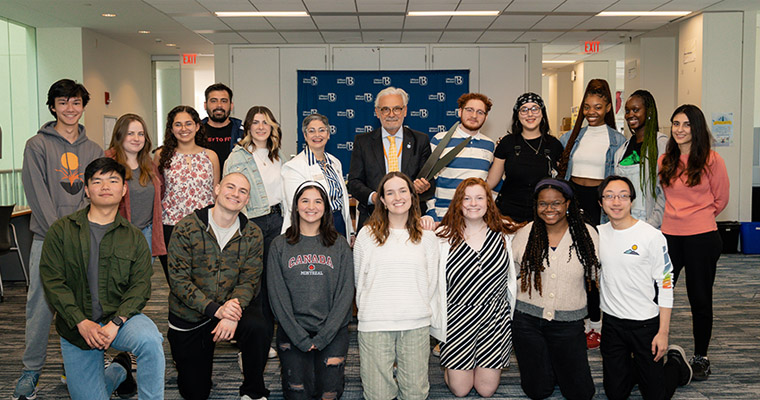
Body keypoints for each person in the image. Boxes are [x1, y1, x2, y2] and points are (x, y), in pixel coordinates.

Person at [39, 157, 165, 400]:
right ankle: (119, 371)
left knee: (150, 340)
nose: (105, 186)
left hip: (119, 320)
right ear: (87, 189)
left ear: (124, 189)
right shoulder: (61, 231)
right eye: (97, 181)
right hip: (77, 326)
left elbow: (140, 286)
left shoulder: (134, 237)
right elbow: (53, 282)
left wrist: (116, 322)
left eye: (113, 180)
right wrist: (81, 322)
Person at [15, 78, 103, 400]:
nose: (70, 108)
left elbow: (93, 193)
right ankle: (30, 371)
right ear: (53, 106)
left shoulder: (94, 149)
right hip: (46, 241)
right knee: (40, 307)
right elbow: (37, 194)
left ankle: (74, 364)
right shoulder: (36, 145)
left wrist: (78, 230)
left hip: (84, 240)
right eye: (63, 102)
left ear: (82, 107)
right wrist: (60, 234)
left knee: (82, 303)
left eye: (76, 102)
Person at [166, 172, 270, 400]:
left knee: (258, 326)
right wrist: (217, 310)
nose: (235, 194)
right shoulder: (186, 227)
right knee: (195, 392)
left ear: (247, 199)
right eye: (230, 187)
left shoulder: (253, 233)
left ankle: (254, 391)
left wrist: (232, 310)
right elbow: (179, 282)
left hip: (231, 308)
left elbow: (250, 280)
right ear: (217, 189)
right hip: (191, 315)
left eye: (243, 191)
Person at [598, 175, 693, 399]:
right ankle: (637, 370)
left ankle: (676, 364)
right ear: (600, 202)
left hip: (645, 326)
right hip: (612, 324)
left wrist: (663, 332)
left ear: (632, 201)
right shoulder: (598, 234)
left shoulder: (651, 236)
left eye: (623, 196)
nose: (616, 201)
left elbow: (666, 284)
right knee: (615, 394)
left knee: (655, 396)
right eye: (609, 196)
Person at [658, 104, 729, 381]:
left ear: (696, 128)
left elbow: (721, 200)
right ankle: (651, 347)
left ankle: (701, 356)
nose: (679, 129)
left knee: (700, 299)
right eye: (675, 123)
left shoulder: (712, 160)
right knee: (660, 295)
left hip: (702, 237)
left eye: (686, 124)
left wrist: (696, 218)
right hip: (669, 237)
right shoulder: (665, 160)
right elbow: (664, 197)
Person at [511, 178, 599, 400]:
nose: (549, 209)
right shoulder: (525, 233)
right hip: (527, 322)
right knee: (538, 392)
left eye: (556, 203)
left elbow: (596, 279)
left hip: (568, 323)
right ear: (536, 206)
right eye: (543, 204)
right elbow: (510, 277)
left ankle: (556, 363)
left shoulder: (586, 234)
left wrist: (596, 321)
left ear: (568, 204)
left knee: (581, 394)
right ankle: (550, 364)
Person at [354, 172, 439, 400]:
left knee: (415, 394)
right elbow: (359, 281)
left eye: (403, 191)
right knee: (378, 395)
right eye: (390, 193)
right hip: (375, 323)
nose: (397, 197)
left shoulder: (427, 237)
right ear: (382, 200)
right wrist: (370, 313)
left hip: (415, 323)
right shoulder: (366, 235)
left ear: (412, 196)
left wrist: (416, 307)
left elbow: (430, 283)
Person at [267, 181, 354, 400]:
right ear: (296, 206)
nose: (311, 206)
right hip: (293, 329)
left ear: (326, 207)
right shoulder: (280, 245)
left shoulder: (339, 244)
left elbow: (345, 294)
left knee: (329, 393)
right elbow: (277, 296)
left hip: (332, 330)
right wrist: (299, 336)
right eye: (304, 201)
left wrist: (325, 335)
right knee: (298, 394)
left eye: (318, 201)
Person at [431, 177, 516, 397]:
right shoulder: (442, 236)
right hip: (458, 318)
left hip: (494, 317)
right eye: (466, 198)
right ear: (458, 202)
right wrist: (424, 220)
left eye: (479, 198)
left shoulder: (505, 234)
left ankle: (475, 362)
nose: (473, 203)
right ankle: (452, 364)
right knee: (461, 390)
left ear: (489, 201)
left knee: (486, 390)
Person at [557, 78, 625, 349]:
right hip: (574, 202)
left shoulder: (618, 140)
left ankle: (596, 323)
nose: (592, 111)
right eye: (587, 107)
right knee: (575, 263)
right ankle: (578, 319)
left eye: (598, 106)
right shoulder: (569, 138)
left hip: (601, 206)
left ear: (608, 107)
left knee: (598, 266)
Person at [224, 105, 286, 360]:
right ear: (248, 127)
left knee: (272, 284)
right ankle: (250, 342)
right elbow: (230, 195)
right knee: (253, 285)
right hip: (252, 222)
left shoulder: (277, 156)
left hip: (276, 220)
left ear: (272, 127)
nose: (261, 127)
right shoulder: (238, 156)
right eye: (256, 122)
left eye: (266, 122)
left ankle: (266, 338)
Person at [348, 86, 433, 228]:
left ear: (405, 111)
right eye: (385, 109)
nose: (391, 114)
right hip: (372, 218)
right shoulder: (363, 142)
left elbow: (431, 185)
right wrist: (374, 197)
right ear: (377, 112)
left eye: (397, 109)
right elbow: (354, 182)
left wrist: (423, 186)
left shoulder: (420, 141)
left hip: (411, 220)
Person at [155, 105, 220, 279]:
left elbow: (216, 194)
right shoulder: (161, 155)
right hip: (171, 225)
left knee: (203, 279)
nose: (184, 129)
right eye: (178, 124)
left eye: (188, 124)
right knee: (175, 279)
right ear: (171, 128)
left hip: (204, 227)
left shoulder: (211, 156)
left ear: (197, 126)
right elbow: (157, 191)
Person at [419, 93, 496, 228]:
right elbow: (428, 181)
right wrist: (432, 214)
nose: (474, 116)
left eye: (480, 112)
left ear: (486, 117)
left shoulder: (490, 145)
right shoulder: (440, 140)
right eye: (469, 110)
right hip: (443, 218)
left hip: (476, 220)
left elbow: (489, 184)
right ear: (460, 111)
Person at [487, 92, 563, 223]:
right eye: (524, 109)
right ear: (517, 115)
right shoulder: (507, 143)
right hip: (509, 216)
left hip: (544, 216)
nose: (530, 114)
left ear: (542, 113)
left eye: (535, 108)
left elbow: (561, 183)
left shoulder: (554, 144)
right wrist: (467, 193)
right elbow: (491, 182)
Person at [282, 113, 353, 239]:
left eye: (322, 130)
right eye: (312, 131)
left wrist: (351, 231)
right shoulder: (294, 167)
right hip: (312, 226)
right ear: (305, 135)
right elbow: (295, 207)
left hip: (339, 222)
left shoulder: (335, 162)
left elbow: (343, 201)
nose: (317, 135)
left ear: (328, 134)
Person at [105, 113, 166, 257]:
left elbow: (160, 193)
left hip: (147, 233)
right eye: (130, 133)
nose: (136, 139)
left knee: (143, 278)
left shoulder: (149, 165)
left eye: (141, 134)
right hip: (118, 233)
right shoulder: (108, 162)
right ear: (119, 135)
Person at [614, 90, 668, 228]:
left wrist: (650, 226)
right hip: (625, 221)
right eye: (627, 111)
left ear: (649, 112)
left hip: (652, 223)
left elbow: (664, 193)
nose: (630, 115)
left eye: (636, 110)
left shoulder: (661, 145)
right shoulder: (622, 150)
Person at [202, 82, 245, 167]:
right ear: (205, 105)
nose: (219, 105)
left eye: (224, 101)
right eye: (213, 101)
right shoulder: (195, 133)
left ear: (231, 106)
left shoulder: (243, 133)